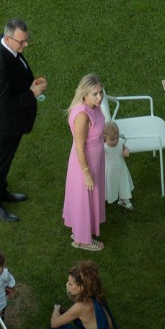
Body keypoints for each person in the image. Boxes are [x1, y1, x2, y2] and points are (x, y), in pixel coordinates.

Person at [0, 18, 46, 222]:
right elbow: (3, 104)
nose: (26, 45)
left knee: (5, 159)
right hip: (4, 123)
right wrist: (31, 93)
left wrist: (30, 83)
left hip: (10, 121)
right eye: (22, 42)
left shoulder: (2, 43)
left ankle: (1, 191)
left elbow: (16, 71)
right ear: (8, 39)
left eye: (26, 40)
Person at [62, 74, 106, 252]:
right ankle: (82, 240)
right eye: (95, 94)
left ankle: (80, 229)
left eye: (101, 92)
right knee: (84, 198)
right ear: (84, 95)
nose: (100, 97)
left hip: (95, 159)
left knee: (87, 198)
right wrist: (87, 173)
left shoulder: (94, 107)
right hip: (85, 163)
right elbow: (80, 147)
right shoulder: (82, 115)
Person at [49, 261, 118, 329]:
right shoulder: (96, 293)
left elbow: (54, 323)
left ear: (81, 288)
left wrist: (56, 308)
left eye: (70, 284)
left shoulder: (81, 307)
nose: (67, 285)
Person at [102, 120, 134, 210]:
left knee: (123, 184)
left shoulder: (120, 142)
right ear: (104, 138)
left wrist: (126, 151)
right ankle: (107, 199)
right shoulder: (104, 147)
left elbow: (125, 148)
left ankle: (123, 200)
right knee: (110, 185)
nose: (115, 141)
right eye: (112, 139)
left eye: (116, 137)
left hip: (121, 168)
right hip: (109, 171)